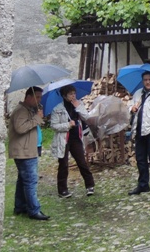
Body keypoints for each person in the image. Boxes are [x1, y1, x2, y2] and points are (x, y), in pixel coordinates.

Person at [8, 86, 49, 220]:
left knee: (23, 180)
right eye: (37, 97)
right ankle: (33, 210)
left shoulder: (28, 110)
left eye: (40, 97)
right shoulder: (21, 110)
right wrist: (37, 118)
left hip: (27, 150)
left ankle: (20, 207)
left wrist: (36, 116)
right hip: (24, 151)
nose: (39, 100)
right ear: (28, 97)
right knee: (31, 181)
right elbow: (20, 128)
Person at [50, 85, 96, 197]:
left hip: (76, 138)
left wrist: (79, 107)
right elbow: (54, 125)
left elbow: (86, 117)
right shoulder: (57, 108)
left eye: (74, 93)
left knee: (82, 162)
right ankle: (62, 190)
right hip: (64, 139)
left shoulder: (78, 104)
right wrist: (68, 125)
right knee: (63, 164)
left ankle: (90, 185)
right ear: (64, 95)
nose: (73, 96)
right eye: (70, 94)